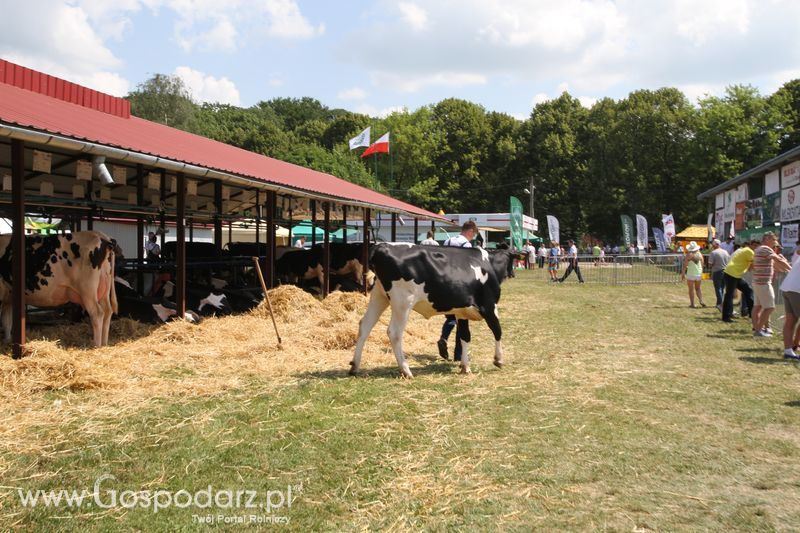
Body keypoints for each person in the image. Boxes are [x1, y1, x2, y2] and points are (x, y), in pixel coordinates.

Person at [437, 221, 477, 361]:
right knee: (462, 319)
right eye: (473, 234)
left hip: (445, 281)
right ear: (470, 231)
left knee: (450, 317)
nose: (473, 237)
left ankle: (443, 338)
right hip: (459, 284)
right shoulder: (466, 244)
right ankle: (459, 355)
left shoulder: (448, 241)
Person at [750, 232, 791, 337]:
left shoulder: (759, 249)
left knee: (757, 307)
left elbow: (776, 265)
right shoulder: (766, 249)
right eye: (773, 240)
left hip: (758, 282)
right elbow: (778, 259)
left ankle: (757, 329)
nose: (775, 243)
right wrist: (791, 270)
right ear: (767, 239)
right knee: (770, 307)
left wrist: (786, 268)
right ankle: (758, 330)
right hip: (763, 283)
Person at [721, 240, 755, 323]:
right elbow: (754, 265)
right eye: (755, 245)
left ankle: (752, 314)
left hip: (735, 274)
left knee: (748, 291)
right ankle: (726, 317)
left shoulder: (745, 250)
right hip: (732, 274)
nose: (756, 248)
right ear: (751, 245)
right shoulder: (749, 251)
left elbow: (751, 267)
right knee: (729, 295)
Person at [778, 256, 800, 359]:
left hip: (787, 288)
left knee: (790, 321)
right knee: (791, 321)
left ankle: (788, 351)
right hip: (797, 290)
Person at [680, 241, 706, 307]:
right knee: (698, 288)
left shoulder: (689, 254)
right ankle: (701, 300)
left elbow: (685, 265)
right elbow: (702, 264)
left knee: (691, 289)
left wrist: (683, 274)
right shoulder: (700, 254)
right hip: (698, 273)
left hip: (691, 273)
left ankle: (692, 304)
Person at [707, 239, 729, 310]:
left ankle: (720, 303)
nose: (712, 245)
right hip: (726, 271)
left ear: (716, 244)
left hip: (717, 271)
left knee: (718, 288)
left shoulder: (713, 253)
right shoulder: (725, 252)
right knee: (722, 288)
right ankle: (719, 303)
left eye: (713, 244)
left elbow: (710, 264)